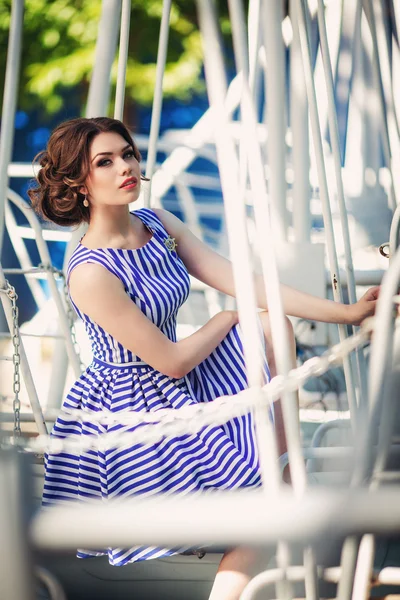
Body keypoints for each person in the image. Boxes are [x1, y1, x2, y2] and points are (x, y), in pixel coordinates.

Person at [29, 116, 379, 600]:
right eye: (104, 162)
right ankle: (272, 491)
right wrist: (226, 319)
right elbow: (170, 360)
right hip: (133, 410)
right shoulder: (89, 271)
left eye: (127, 153)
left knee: (271, 323)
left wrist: (348, 312)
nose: (125, 167)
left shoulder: (155, 223)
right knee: (263, 515)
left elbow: (241, 279)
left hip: (182, 384)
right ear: (78, 183)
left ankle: (281, 469)